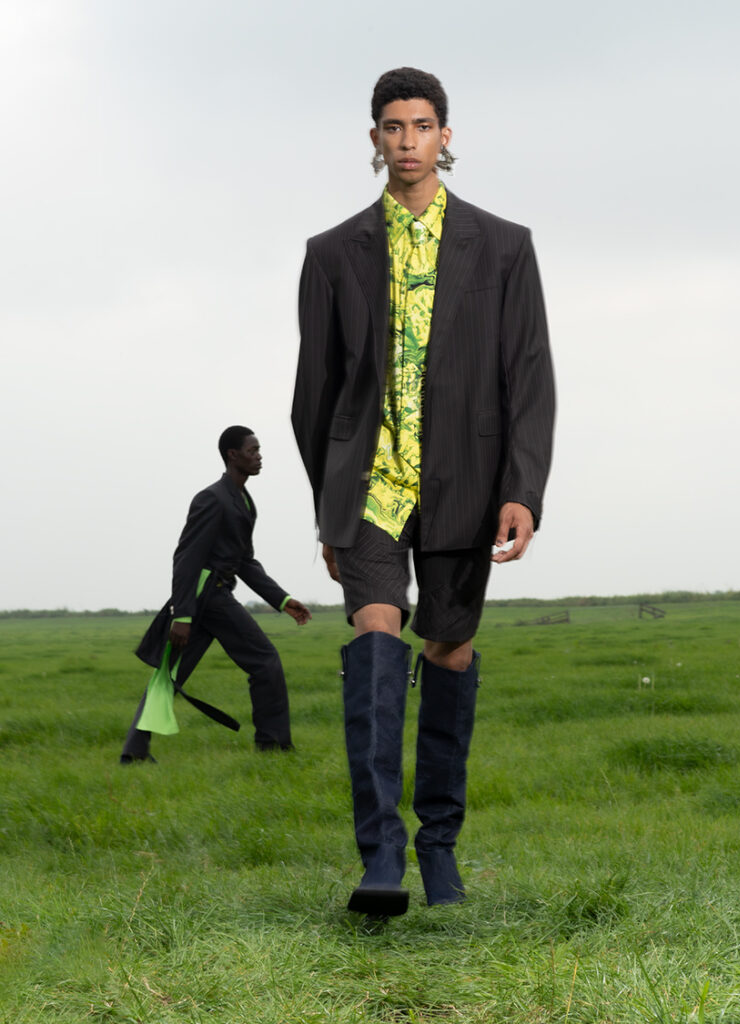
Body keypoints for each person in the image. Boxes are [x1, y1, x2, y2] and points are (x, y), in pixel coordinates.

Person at [292, 68, 555, 916]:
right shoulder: (332, 253)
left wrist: (522, 489)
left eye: (420, 125)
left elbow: (528, 376)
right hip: (369, 486)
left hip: (467, 484)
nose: (406, 141)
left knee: (447, 649)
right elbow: (313, 395)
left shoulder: (503, 245)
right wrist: (330, 510)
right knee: (375, 631)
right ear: (373, 138)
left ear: (445, 135)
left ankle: (438, 846)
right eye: (392, 126)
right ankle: (381, 856)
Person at [120, 425, 311, 763]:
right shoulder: (212, 498)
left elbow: (245, 561)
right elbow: (186, 558)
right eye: (252, 450)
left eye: (259, 450)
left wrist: (282, 600)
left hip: (210, 598)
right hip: (208, 597)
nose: (259, 456)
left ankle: (134, 753)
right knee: (265, 661)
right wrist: (182, 614)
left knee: (169, 674)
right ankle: (273, 745)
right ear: (232, 455)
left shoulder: (244, 501)